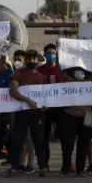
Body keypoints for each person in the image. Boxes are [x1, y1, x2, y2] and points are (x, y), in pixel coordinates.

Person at [6, 49, 48, 178]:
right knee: (18, 139)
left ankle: (42, 167)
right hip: (22, 112)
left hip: (37, 113)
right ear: (25, 59)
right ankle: (15, 166)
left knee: (39, 140)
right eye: (29, 58)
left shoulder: (42, 77)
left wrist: (45, 106)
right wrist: (27, 101)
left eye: (34, 58)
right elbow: (13, 91)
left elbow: (46, 95)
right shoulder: (18, 73)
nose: (32, 61)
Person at [36, 43, 64, 172]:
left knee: (64, 136)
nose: (51, 55)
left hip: (59, 108)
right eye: (48, 53)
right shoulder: (39, 70)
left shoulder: (62, 70)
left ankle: (67, 163)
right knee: (43, 137)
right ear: (44, 55)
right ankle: (44, 163)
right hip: (44, 109)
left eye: (53, 53)